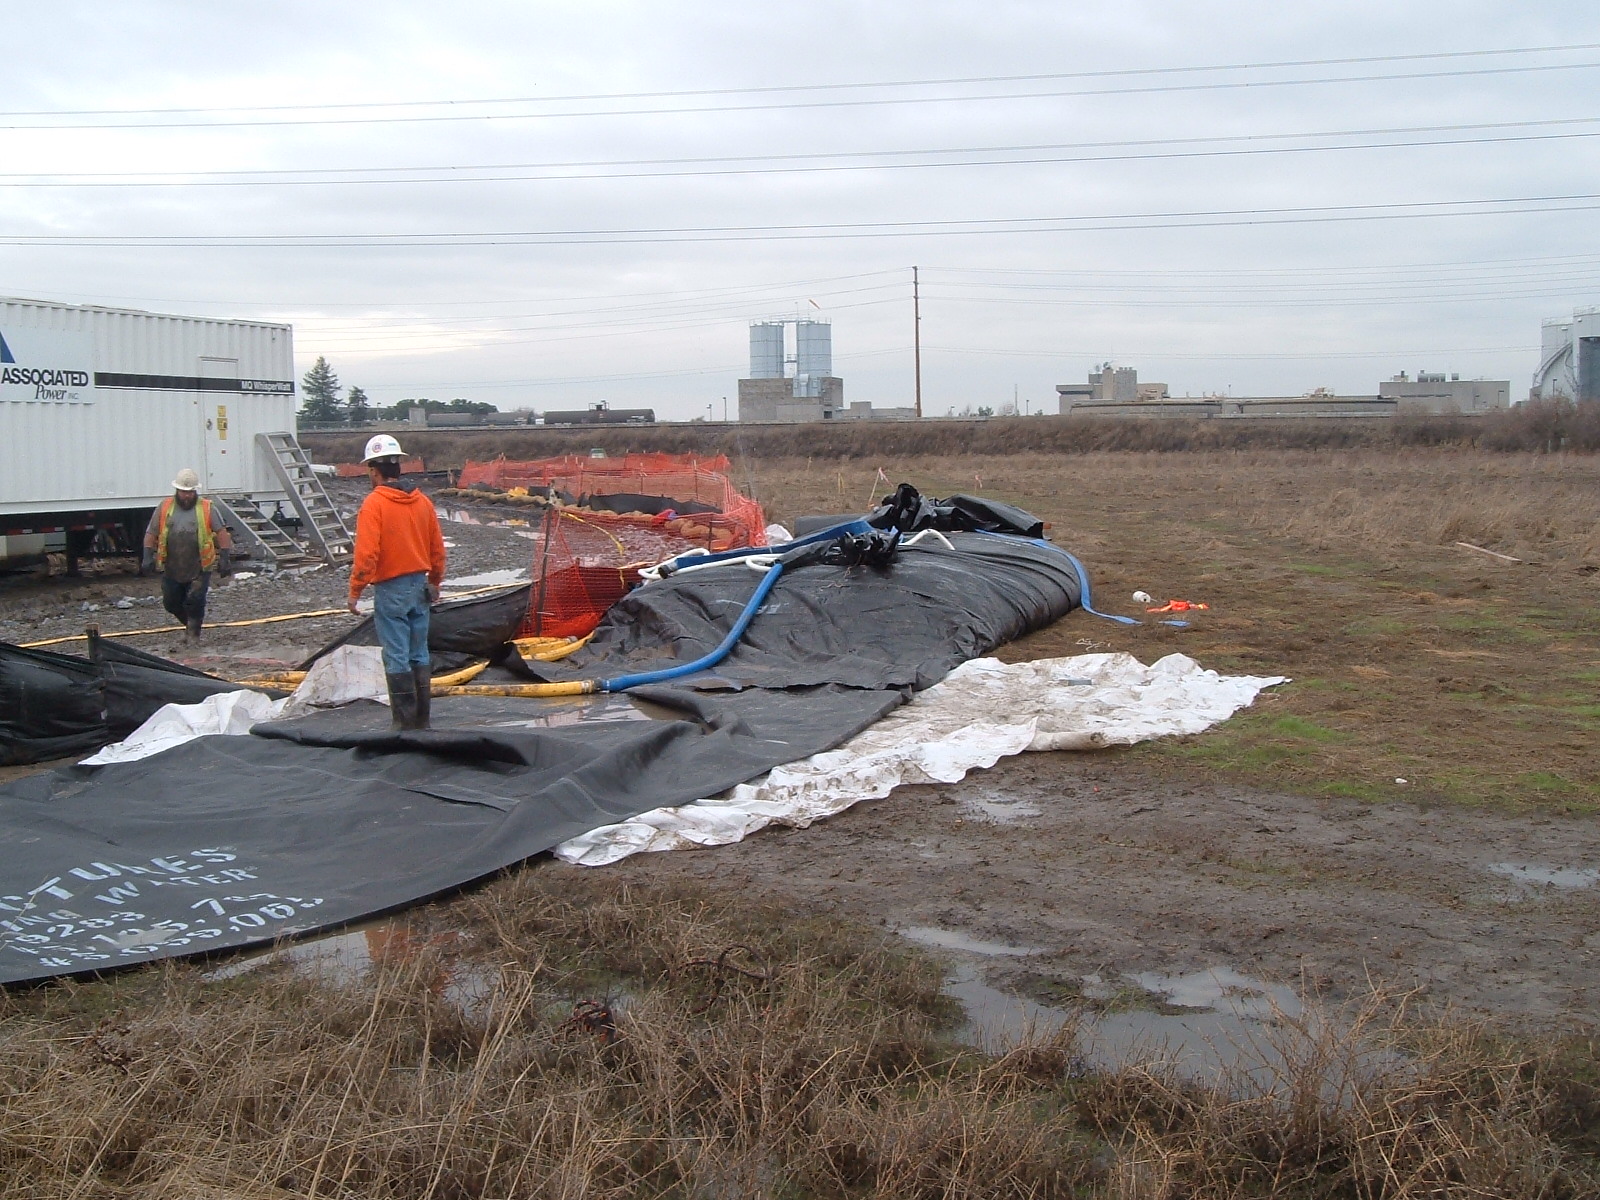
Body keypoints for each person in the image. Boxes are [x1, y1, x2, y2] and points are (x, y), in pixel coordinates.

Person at [348, 434, 446, 730]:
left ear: (373, 470)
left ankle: (404, 725)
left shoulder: (374, 504)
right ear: (398, 467)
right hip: (420, 587)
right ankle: (422, 722)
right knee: (419, 652)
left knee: (397, 656)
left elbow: (367, 555)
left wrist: (355, 591)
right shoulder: (422, 502)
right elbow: (437, 549)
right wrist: (435, 581)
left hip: (391, 588)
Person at [142, 468, 234, 640]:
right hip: (172, 566)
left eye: (190, 492)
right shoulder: (164, 507)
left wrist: (225, 558)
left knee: (195, 601)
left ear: (195, 491)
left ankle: (193, 634)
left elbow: (222, 533)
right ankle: (190, 625)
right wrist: (147, 556)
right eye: (184, 492)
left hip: (199, 566)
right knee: (171, 603)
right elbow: (151, 533)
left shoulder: (207, 508)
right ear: (177, 490)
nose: (187, 496)